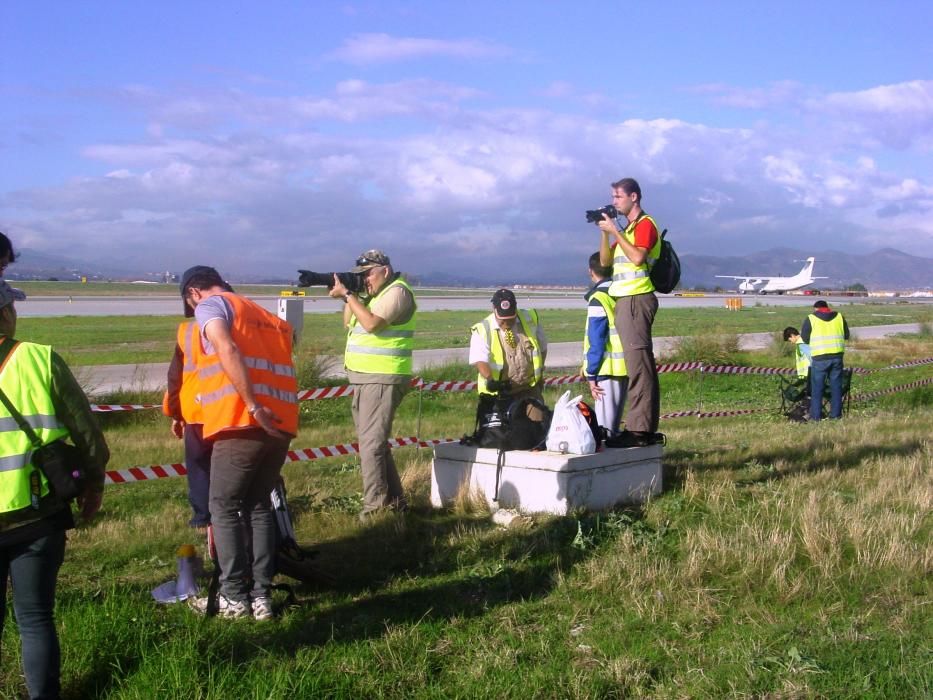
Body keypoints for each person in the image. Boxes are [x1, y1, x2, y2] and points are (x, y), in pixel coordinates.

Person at [0, 280, 109, 699]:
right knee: (34, 617)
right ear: (7, 312)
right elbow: (88, 436)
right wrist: (93, 486)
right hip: (36, 515)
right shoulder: (39, 359)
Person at [181, 266, 298, 620]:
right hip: (280, 424)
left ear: (193, 293)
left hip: (241, 421)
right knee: (259, 505)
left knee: (223, 507)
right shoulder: (262, 314)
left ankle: (234, 596)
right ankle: (261, 596)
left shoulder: (211, 306)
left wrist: (251, 404)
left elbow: (225, 346)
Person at [328, 250, 416, 519]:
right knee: (374, 443)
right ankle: (396, 502)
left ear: (385, 271)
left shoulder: (397, 292)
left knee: (371, 446)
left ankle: (375, 509)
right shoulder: (374, 295)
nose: (365, 279)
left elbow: (371, 324)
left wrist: (348, 295)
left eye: (368, 274)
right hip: (366, 378)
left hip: (382, 377)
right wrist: (354, 294)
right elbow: (348, 322)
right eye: (360, 276)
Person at [597, 177, 662, 447]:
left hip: (637, 299)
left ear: (634, 197)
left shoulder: (645, 225)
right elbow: (604, 262)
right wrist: (605, 232)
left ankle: (639, 430)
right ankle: (637, 426)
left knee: (639, 366)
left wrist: (615, 231)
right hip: (626, 300)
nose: (614, 201)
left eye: (618, 197)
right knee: (636, 365)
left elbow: (638, 257)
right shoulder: (629, 229)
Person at [162, 318, 215, 529]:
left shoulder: (188, 330)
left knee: (200, 466)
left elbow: (175, 377)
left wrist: (176, 413)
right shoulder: (243, 322)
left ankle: (203, 518)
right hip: (232, 411)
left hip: (197, 410)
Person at [470, 289, 547, 403]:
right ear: (494, 309)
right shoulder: (482, 329)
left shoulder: (530, 319)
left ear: (516, 309)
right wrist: (490, 380)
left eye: (510, 319)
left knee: (538, 419)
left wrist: (540, 372)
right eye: (502, 320)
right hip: (496, 394)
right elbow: (480, 360)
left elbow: (542, 348)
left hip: (528, 389)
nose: (506, 324)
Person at [582, 252, 627, 436]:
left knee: (605, 431)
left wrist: (590, 373)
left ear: (590, 271)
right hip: (625, 366)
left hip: (605, 370)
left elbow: (597, 341)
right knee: (615, 428)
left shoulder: (598, 299)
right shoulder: (622, 293)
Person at [801, 300, 849, 420]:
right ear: (827, 307)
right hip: (837, 357)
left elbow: (805, 339)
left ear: (816, 309)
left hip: (820, 358)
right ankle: (835, 416)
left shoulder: (811, 318)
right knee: (836, 388)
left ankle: (816, 418)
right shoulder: (839, 317)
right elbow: (846, 335)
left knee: (817, 390)